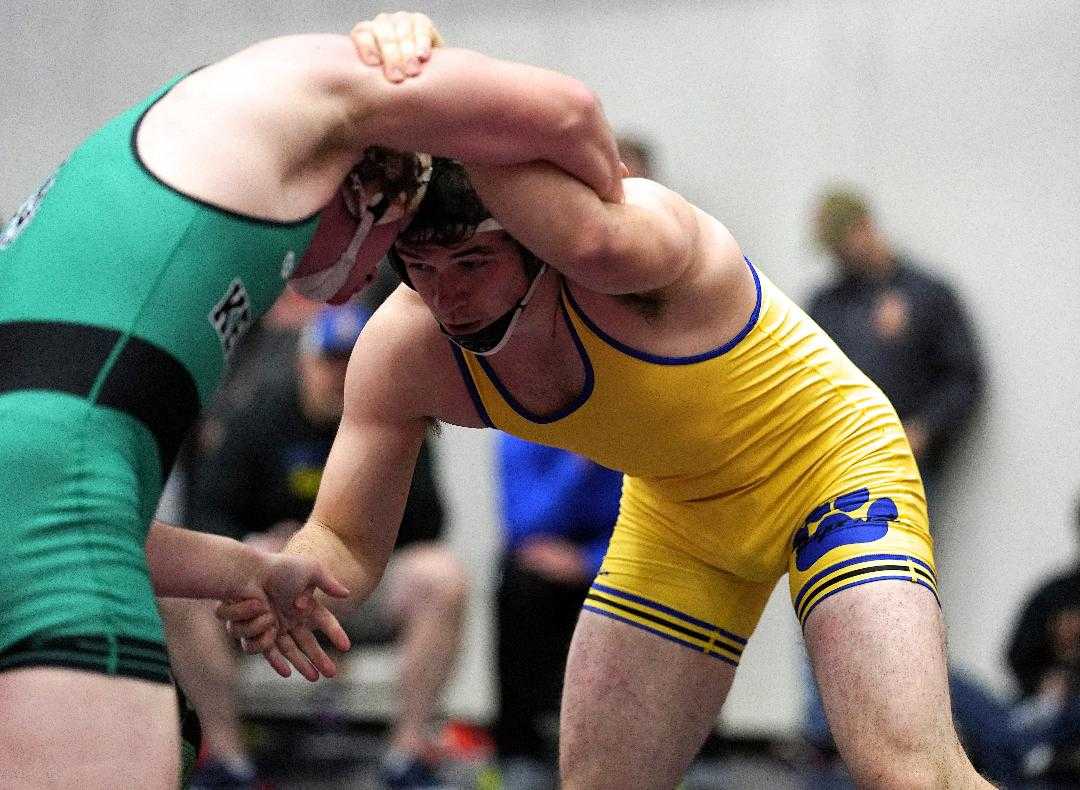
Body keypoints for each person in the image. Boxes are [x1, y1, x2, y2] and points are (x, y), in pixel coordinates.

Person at [222, 71, 992, 790]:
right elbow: (347, 538)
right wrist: (296, 573)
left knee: (906, 772)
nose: (447, 295)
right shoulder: (405, 349)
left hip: (829, 468)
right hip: (681, 515)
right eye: (423, 265)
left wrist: (420, 95)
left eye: (472, 261)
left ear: (539, 243)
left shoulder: (636, 244)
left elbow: (582, 207)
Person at [0, 10, 624, 786]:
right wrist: (610, 250)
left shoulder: (188, 142)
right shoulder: (308, 88)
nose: (378, 282)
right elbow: (568, 112)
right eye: (404, 256)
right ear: (378, 187)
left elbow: (55, 506)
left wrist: (249, 573)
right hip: (60, 538)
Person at [171, 303, 466, 789]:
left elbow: (429, 523)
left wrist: (351, 557)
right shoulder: (255, 412)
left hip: (356, 589)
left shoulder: (396, 415)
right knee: (181, 589)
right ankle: (225, 757)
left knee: (442, 577)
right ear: (305, 362)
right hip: (260, 582)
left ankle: (409, 755)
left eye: (353, 363)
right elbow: (206, 511)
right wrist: (257, 550)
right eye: (332, 362)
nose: (342, 376)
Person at [807, 187, 985, 503]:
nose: (837, 257)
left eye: (841, 245)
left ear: (864, 227)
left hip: (904, 464)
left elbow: (962, 377)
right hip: (836, 461)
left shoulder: (927, 294)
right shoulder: (825, 304)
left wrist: (924, 430)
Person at [493, 437, 621, 787]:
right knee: (520, 579)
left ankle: (692, 751)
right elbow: (523, 527)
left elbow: (664, 528)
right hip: (545, 567)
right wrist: (579, 462)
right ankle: (519, 750)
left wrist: (588, 561)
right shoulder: (519, 430)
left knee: (675, 582)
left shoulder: (642, 429)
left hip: (614, 563)